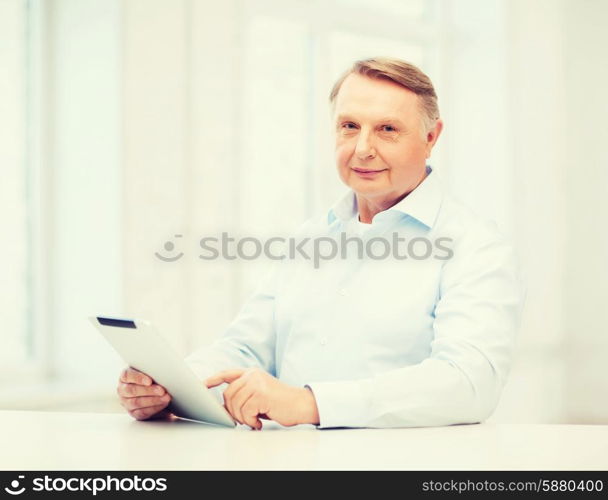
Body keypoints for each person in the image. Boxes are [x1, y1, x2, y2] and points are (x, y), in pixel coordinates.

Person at [117, 57, 524, 430]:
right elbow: (245, 348)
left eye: (387, 129)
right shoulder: (310, 238)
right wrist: (169, 386)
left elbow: (470, 383)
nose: (363, 149)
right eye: (349, 126)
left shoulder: (475, 245)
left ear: (431, 136)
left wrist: (311, 403)